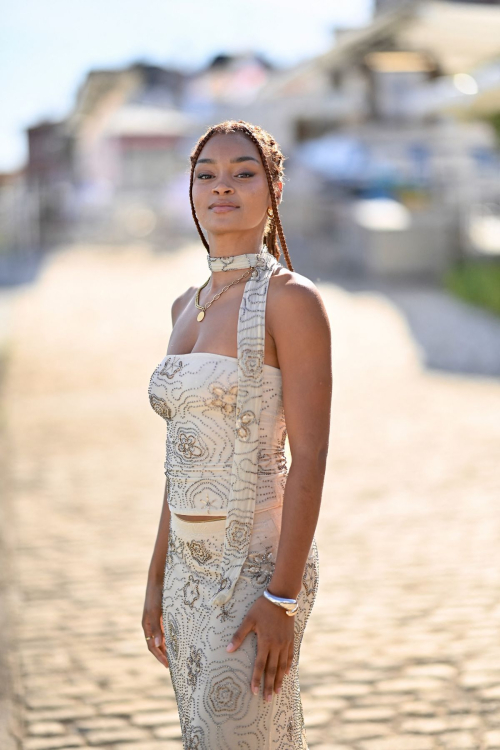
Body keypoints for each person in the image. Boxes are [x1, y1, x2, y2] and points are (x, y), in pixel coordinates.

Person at [143, 119, 332, 749]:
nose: (223, 186)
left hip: (256, 570)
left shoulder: (290, 299)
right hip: (184, 574)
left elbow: (308, 458)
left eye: (243, 173)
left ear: (274, 188)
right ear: (191, 192)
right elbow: (182, 457)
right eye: (207, 174)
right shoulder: (183, 306)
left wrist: (280, 598)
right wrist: (154, 582)